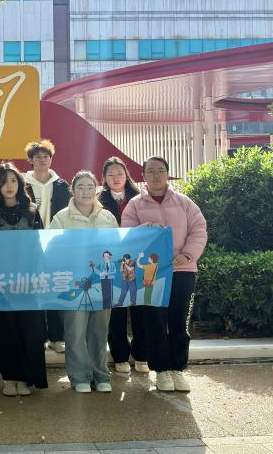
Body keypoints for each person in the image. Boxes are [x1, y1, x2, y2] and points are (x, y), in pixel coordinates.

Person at [121, 156, 208, 394]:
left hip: (183, 269)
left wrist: (188, 254)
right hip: (151, 272)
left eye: (160, 170)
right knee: (155, 321)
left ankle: (178, 369)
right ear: (143, 176)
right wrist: (146, 229)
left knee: (179, 321)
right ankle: (161, 371)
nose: (156, 175)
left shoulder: (184, 202)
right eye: (150, 171)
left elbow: (199, 230)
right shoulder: (135, 205)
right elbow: (127, 235)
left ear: (167, 174)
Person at [0, 162, 48, 396]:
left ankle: (27, 378)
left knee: (29, 329)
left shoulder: (32, 211)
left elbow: (39, 247)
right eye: (3, 182)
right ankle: (10, 378)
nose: (8, 186)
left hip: (28, 282)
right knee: (5, 330)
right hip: (0, 284)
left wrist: (36, 275)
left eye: (12, 181)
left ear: (19, 183)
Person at [49, 171, 118, 393]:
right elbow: (51, 248)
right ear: (72, 190)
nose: (85, 191)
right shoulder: (61, 218)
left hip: (102, 283)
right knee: (75, 331)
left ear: (96, 190)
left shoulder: (107, 217)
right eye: (80, 187)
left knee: (99, 331)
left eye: (90, 187)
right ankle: (80, 377)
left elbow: (117, 248)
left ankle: (101, 375)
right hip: (73, 283)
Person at [100, 156, 148, 374]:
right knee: (116, 310)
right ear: (105, 178)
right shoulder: (99, 202)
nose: (116, 178)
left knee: (140, 308)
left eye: (119, 173)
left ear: (126, 175)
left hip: (137, 260)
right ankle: (119, 355)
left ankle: (142, 355)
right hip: (112, 262)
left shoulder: (140, 198)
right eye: (111, 174)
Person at [23, 139, 70, 354]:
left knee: (54, 288)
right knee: (34, 288)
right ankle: (38, 335)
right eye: (37, 157)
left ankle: (56, 336)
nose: (42, 160)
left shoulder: (62, 185)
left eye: (46, 156)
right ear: (30, 160)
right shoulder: (22, 184)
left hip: (56, 245)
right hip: (31, 245)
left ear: (51, 159)